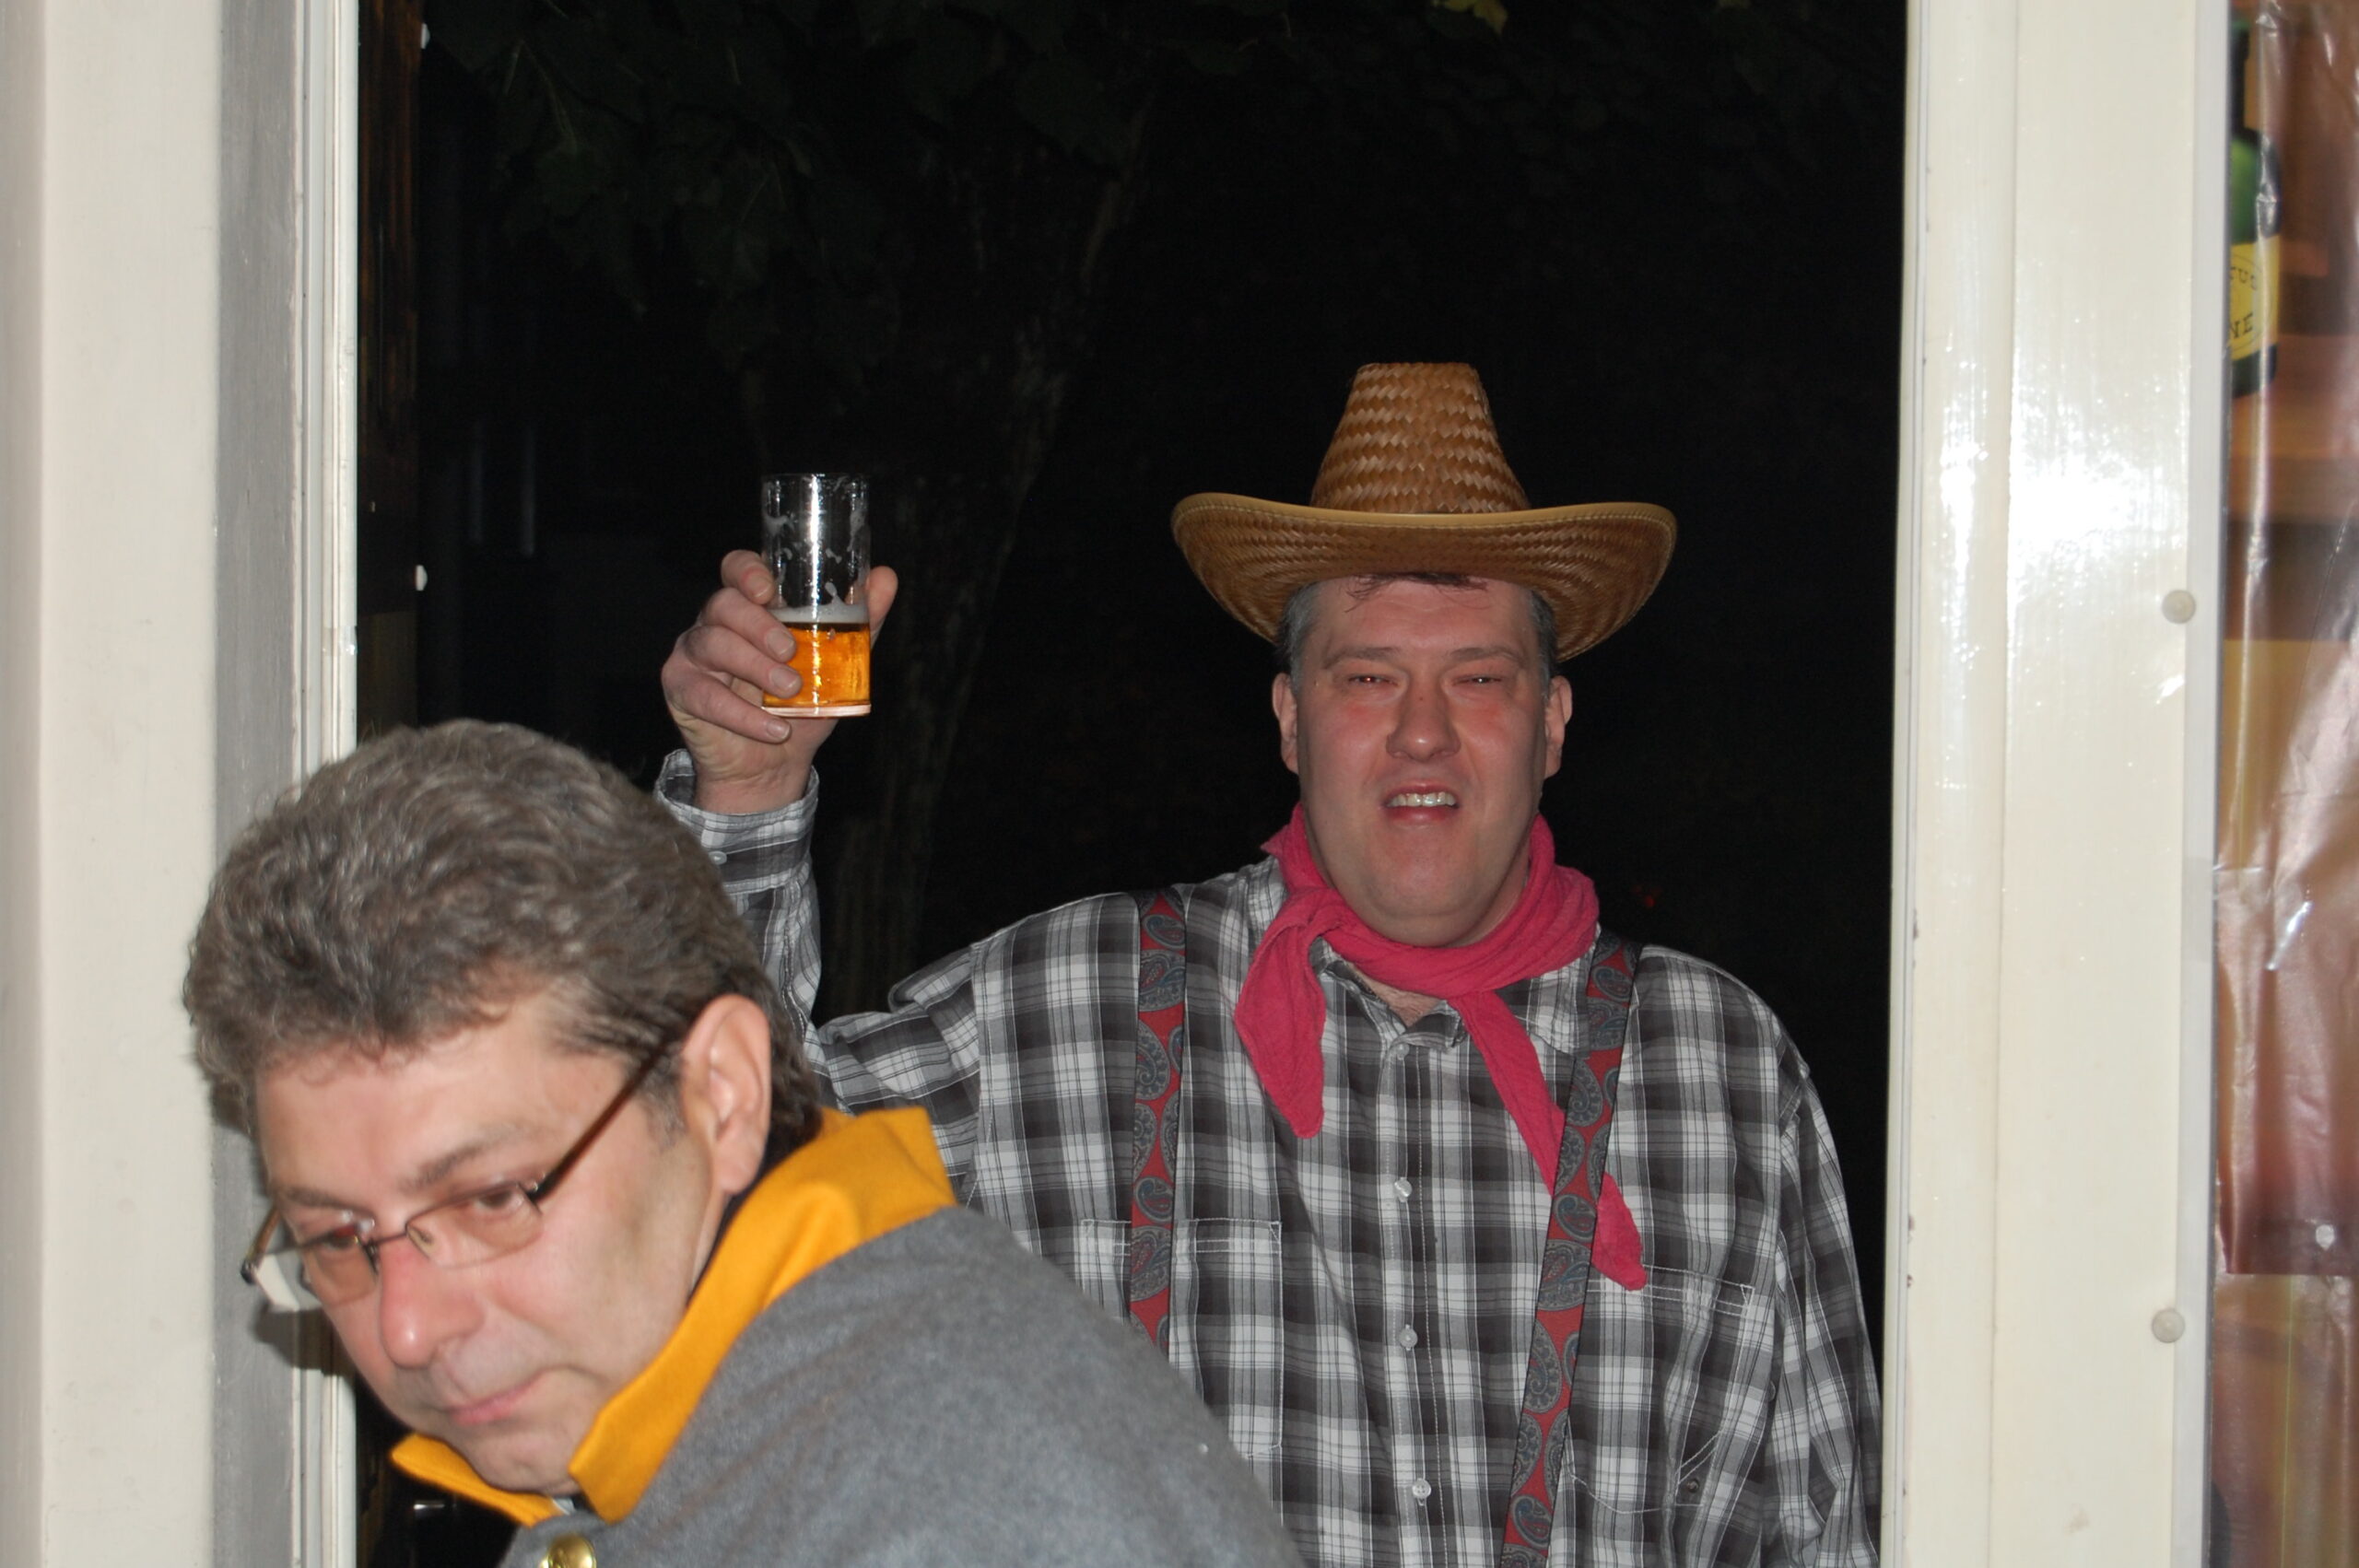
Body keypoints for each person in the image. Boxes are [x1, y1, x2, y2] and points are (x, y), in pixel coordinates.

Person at [659, 362, 1882, 1567]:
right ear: (1291, 719)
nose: (1421, 730)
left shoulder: (1719, 1068)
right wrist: (746, 800)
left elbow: (1838, 1531)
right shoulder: (1073, 1010)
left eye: (1477, 677)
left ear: (1553, 723)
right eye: (1367, 677)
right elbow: (712, 1176)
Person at [183, 720, 1304, 1568]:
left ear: (720, 1094)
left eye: (489, 1198)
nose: (408, 1327)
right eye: (338, 1238)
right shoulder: (748, 1412)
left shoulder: (961, 1511)